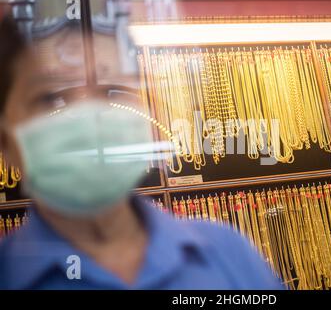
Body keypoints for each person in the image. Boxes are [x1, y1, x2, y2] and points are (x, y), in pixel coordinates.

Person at [0, 15, 283, 290]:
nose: (91, 121)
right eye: (52, 97)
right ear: (4, 141)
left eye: (113, 91)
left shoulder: (228, 253)